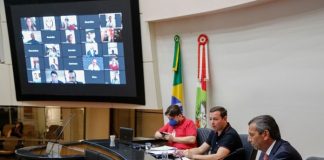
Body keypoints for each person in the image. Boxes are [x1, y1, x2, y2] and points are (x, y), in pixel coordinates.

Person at [176, 106, 242, 159]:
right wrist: (184, 152)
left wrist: (193, 156)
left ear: (225, 119)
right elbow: (200, 149)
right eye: (210, 119)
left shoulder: (230, 134)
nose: (212, 122)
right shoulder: (214, 131)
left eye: (215, 119)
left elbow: (218, 157)